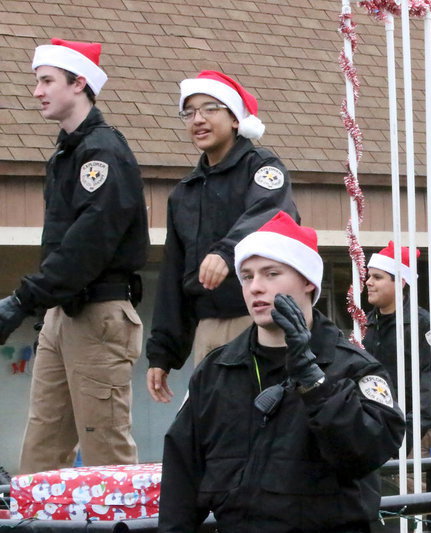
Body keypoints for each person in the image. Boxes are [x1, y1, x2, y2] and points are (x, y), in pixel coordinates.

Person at [158, 212, 405, 533]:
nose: (256, 287)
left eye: (271, 273)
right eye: (246, 276)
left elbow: (370, 450)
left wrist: (315, 383)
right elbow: (182, 477)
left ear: (307, 281)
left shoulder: (353, 367)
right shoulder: (216, 370)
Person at [0, 38, 149, 473]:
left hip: (100, 313)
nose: (37, 91)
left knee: (105, 451)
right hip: (61, 314)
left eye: (47, 80)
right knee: (42, 447)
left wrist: (23, 299)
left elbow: (88, 243)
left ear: (79, 82)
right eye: (37, 81)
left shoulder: (102, 151)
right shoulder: (66, 154)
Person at [145, 70, 299, 403]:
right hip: (207, 330)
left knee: (263, 422)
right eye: (189, 112)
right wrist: (162, 352)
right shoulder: (183, 194)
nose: (197, 119)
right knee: (212, 432)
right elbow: (173, 275)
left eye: (210, 108)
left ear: (234, 117)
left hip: (257, 322)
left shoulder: (262, 168)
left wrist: (226, 253)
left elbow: (272, 214)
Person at [363, 242, 431, 458]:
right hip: (370, 432)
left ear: (400, 282)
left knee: (410, 489)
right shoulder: (365, 324)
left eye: (377, 277)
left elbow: (429, 394)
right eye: (369, 276)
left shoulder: (422, 326)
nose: (369, 283)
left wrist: (401, 437)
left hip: (409, 437)